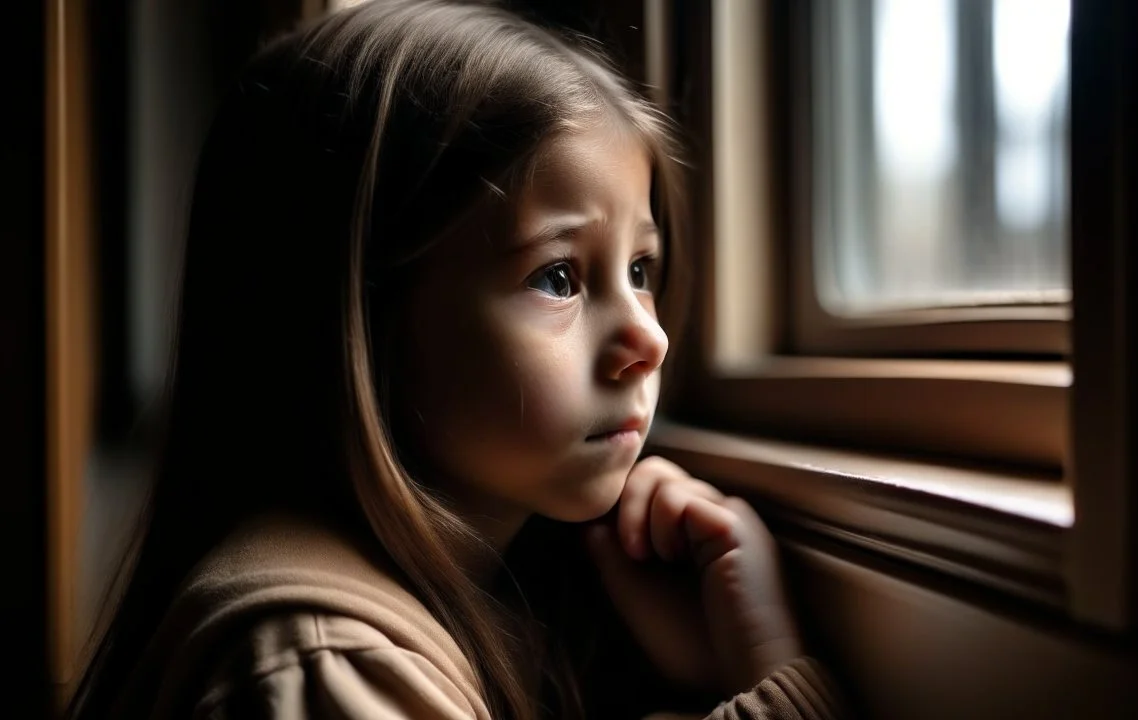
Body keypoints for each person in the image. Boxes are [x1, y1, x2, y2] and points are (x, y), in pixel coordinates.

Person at [68, 1, 846, 717]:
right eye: (559, 277)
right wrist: (778, 678)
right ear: (362, 322)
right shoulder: (327, 665)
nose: (651, 338)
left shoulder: (484, 606)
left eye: (640, 270)